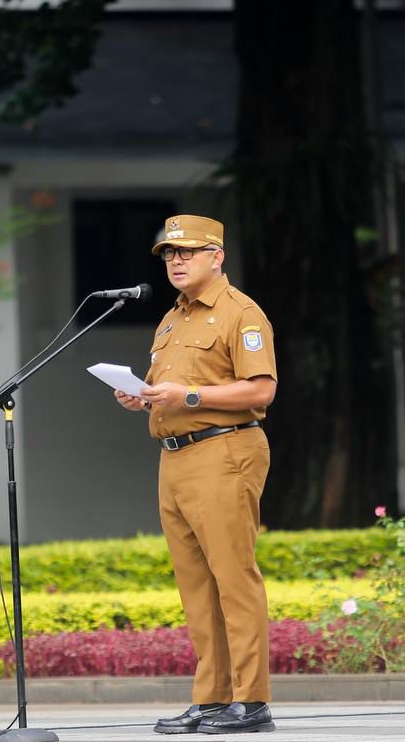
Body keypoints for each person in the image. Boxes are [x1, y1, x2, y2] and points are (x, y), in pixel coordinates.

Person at [113, 214, 278, 735]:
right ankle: (212, 699)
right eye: (169, 254)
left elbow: (260, 390)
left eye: (188, 251)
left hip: (224, 452)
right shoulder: (171, 320)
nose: (176, 260)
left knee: (234, 578)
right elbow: (172, 389)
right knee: (196, 586)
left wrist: (189, 396)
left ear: (217, 256)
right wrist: (140, 398)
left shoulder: (241, 314)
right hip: (175, 456)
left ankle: (251, 703)